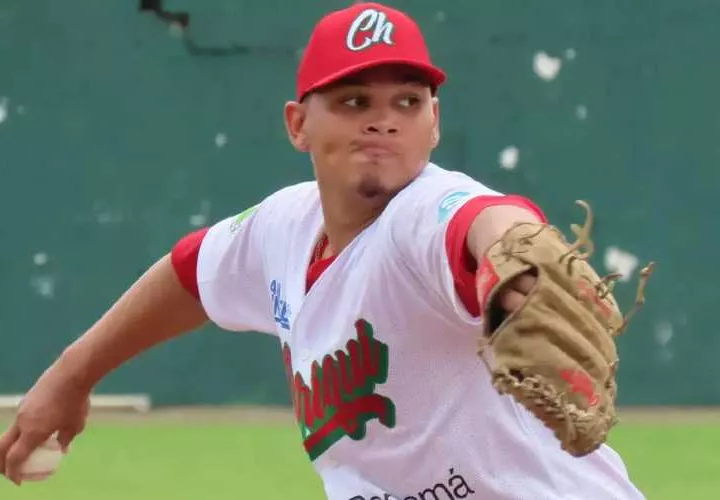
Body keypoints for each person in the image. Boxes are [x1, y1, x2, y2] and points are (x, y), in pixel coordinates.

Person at [0, 2, 645, 499]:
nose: (383, 119)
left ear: (435, 122)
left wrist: (513, 255)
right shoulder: (282, 226)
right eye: (353, 100)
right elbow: (191, 272)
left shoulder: (423, 213)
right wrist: (71, 376)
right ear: (298, 124)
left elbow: (483, 222)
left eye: (408, 101)